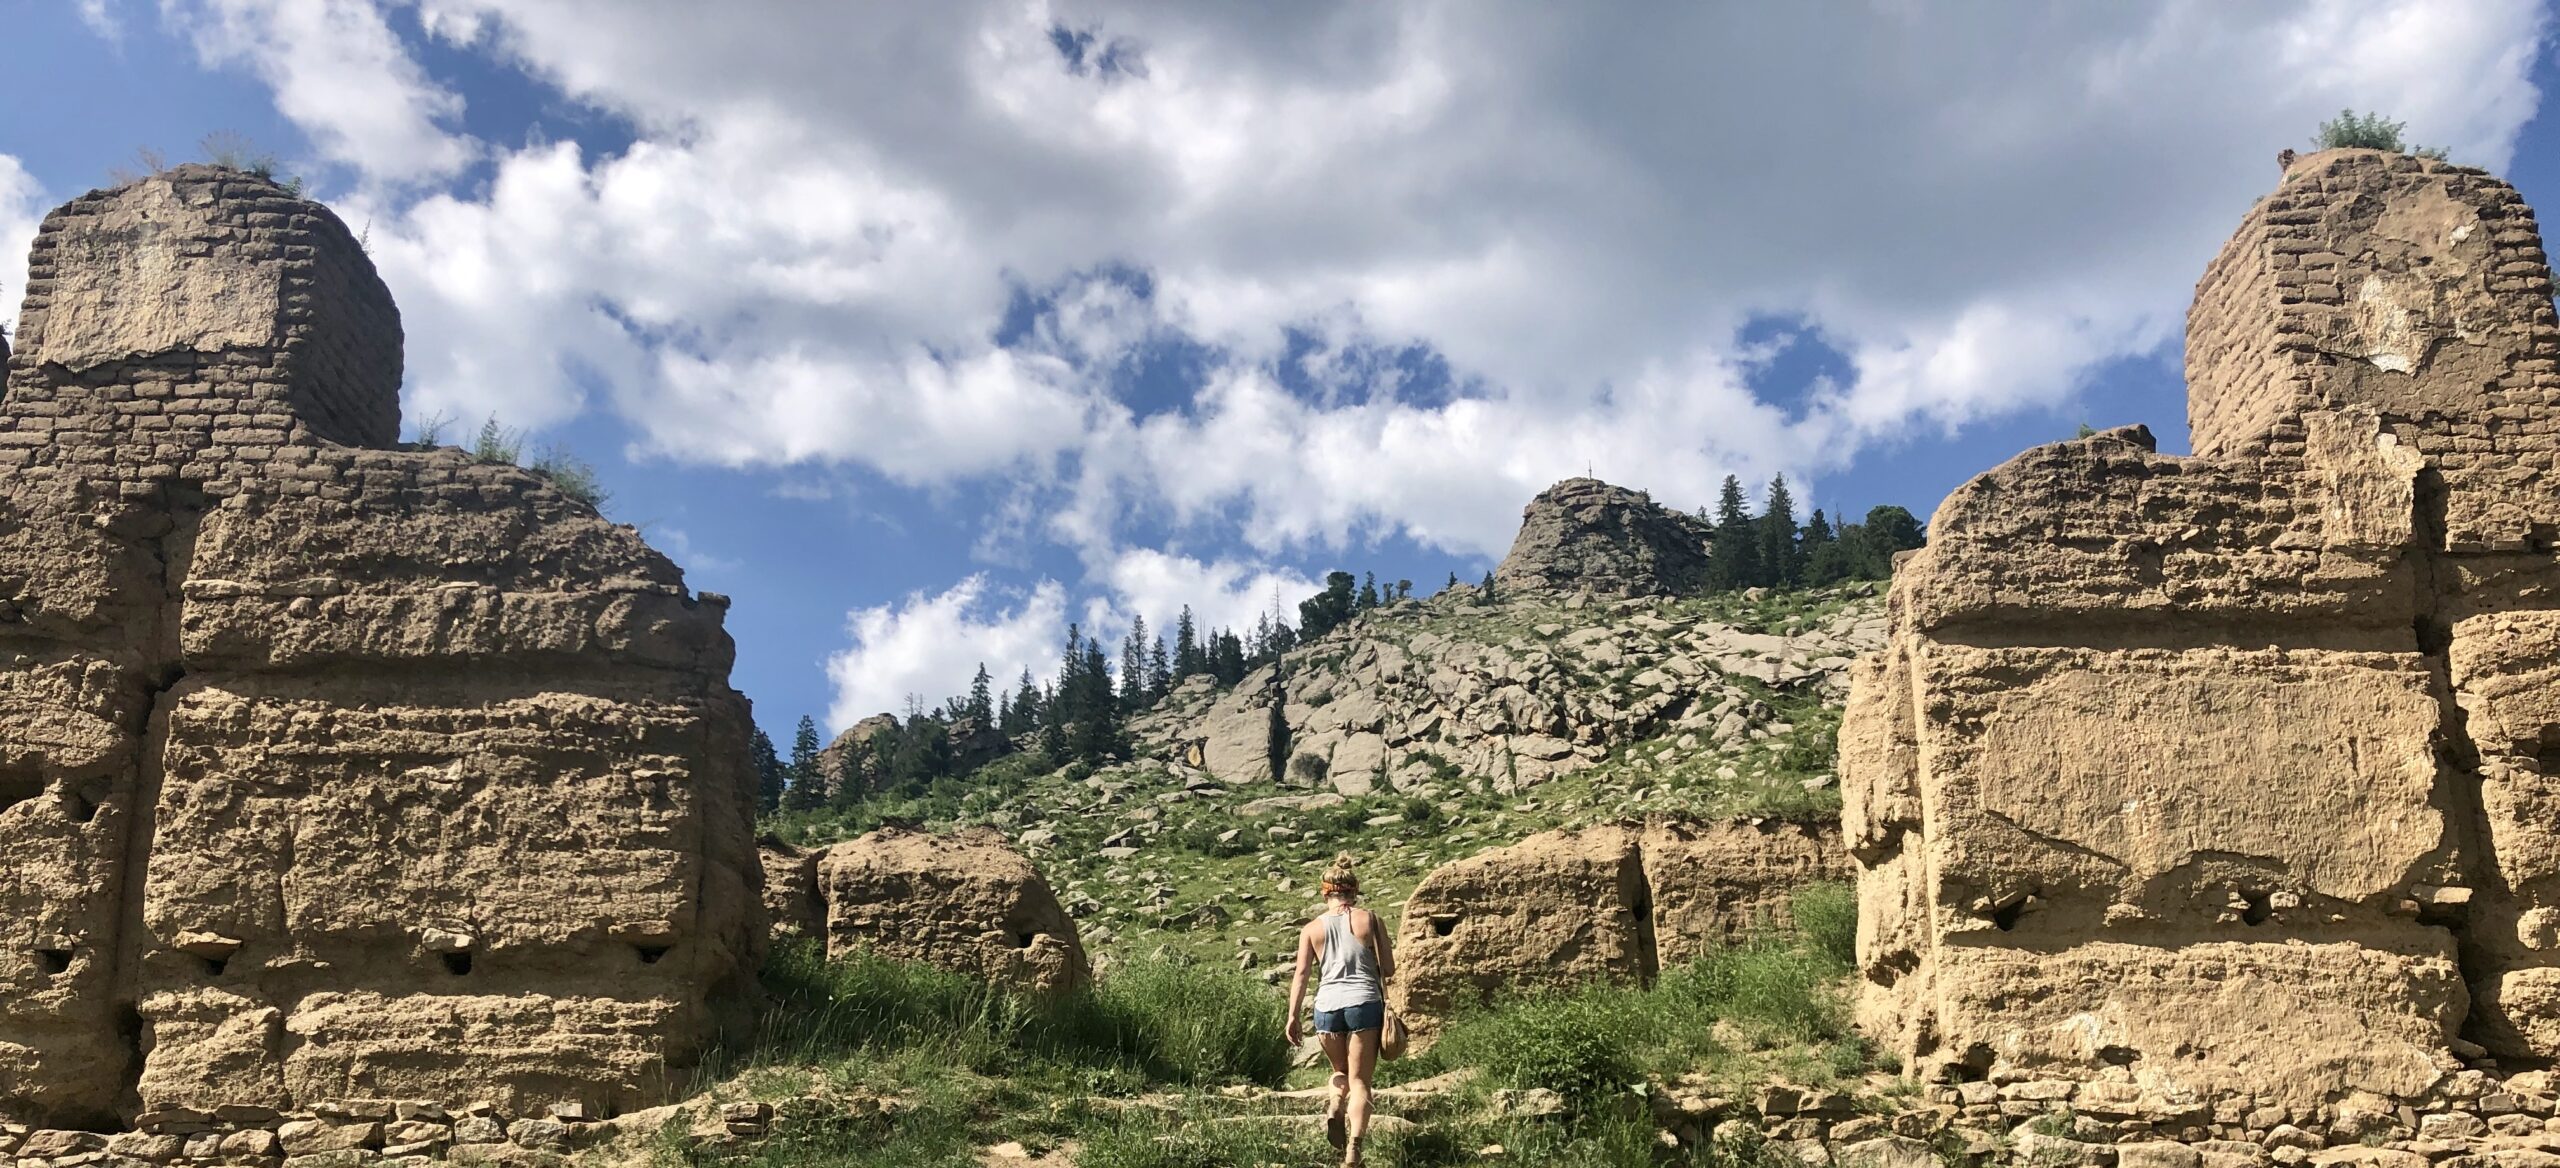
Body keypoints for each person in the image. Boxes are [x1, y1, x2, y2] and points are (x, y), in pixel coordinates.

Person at [1285, 853, 1397, 1167]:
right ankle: (1354, 1151)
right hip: (1363, 1004)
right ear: (1354, 890)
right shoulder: (1370, 919)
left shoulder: (1311, 928)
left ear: (1326, 892)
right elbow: (1388, 969)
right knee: (1360, 1082)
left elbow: (1302, 975)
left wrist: (1293, 1016)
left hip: (1326, 1009)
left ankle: (1335, 1104)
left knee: (1339, 1073)